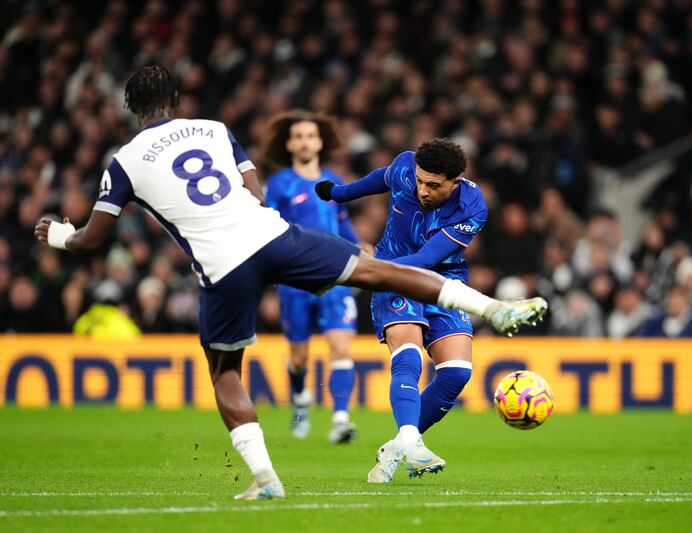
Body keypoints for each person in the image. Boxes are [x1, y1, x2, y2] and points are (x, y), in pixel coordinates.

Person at [34, 66, 547, 501]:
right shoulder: (213, 129)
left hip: (223, 265)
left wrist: (59, 235)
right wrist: (328, 201)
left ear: (129, 107)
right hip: (275, 234)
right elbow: (253, 190)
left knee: (226, 373)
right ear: (175, 99)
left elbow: (93, 239)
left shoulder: (123, 162)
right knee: (377, 279)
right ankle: (491, 311)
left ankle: (267, 478)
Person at [316, 139, 547, 483]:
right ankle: (413, 444)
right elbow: (384, 177)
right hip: (392, 279)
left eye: (434, 185)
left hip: (442, 283)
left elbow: (425, 261)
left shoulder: (472, 206)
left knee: (456, 374)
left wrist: (366, 268)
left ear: (455, 182)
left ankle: (397, 447)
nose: (423, 190)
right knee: (409, 358)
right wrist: (340, 192)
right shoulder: (406, 168)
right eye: (420, 181)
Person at [262, 110, 359, 443]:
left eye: (310, 135)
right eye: (298, 136)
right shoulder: (279, 184)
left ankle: (341, 420)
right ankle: (301, 402)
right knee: (299, 357)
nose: (305, 141)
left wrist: (361, 249)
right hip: (295, 281)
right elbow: (269, 228)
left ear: (321, 142)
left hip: (335, 276)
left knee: (340, 347)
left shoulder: (333, 182)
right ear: (289, 144)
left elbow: (343, 222)